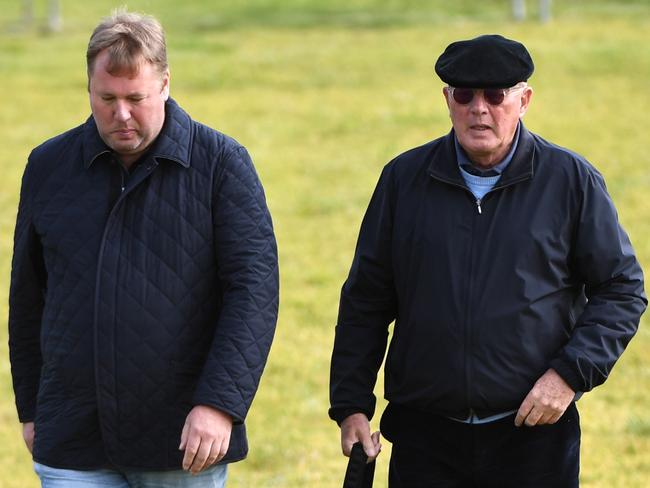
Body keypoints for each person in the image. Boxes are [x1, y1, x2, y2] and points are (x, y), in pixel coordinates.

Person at [329, 34, 646, 487]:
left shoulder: (571, 180)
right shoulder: (403, 180)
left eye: (496, 95)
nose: (480, 108)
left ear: (524, 100)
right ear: (447, 100)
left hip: (533, 437)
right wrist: (351, 404)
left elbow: (621, 287)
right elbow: (366, 299)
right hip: (425, 438)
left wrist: (568, 375)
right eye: (465, 95)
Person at [8, 10, 279, 487]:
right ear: (88, 87)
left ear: (166, 84)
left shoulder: (223, 165)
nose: (122, 114)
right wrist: (32, 407)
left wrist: (220, 405)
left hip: (182, 441)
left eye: (136, 98)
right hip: (73, 434)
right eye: (106, 98)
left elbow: (254, 293)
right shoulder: (48, 165)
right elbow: (28, 298)